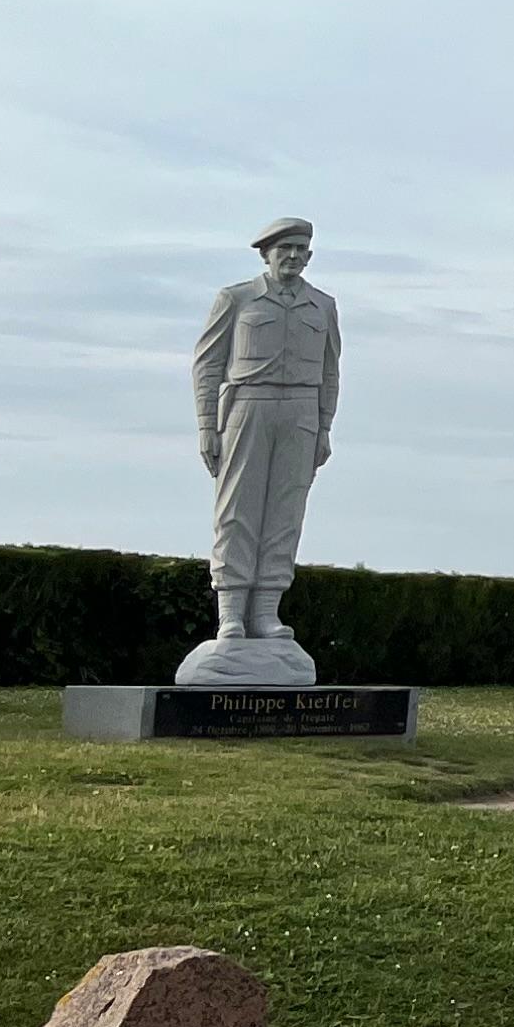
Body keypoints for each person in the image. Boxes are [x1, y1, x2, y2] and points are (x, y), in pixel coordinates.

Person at [186, 217, 342, 681]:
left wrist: (324, 427)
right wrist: (206, 426)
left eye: (300, 249)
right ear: (266, 255)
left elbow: (331, 371)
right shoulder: (236, 299)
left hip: (300, 412)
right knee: (238, 510)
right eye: (284, 249)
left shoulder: (324, 306)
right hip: (247, 407)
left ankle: (266, 613)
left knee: (285, 513)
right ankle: (231, 613)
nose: (292, 256)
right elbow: (207, 365)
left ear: (309, 256)